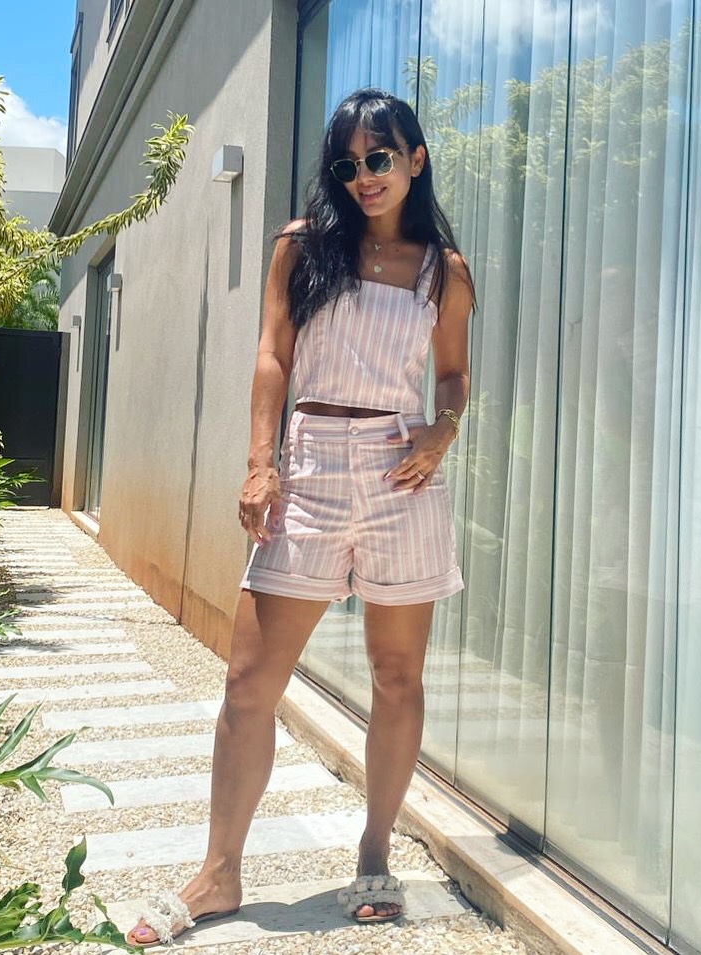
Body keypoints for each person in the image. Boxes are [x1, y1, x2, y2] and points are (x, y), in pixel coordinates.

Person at [126, 86, 476, 947]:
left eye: (379, 158)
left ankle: (373, 848)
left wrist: (443, 429)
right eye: (346, 165)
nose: (363, 177)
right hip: (310, 463)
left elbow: (452, 373)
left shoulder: (444, 270)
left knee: (397, 678)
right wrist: (261, 461)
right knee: (249, 683)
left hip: (400, 474)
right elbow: (272, 354)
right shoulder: (302, 245)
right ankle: (219, 870)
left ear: (415, 159)